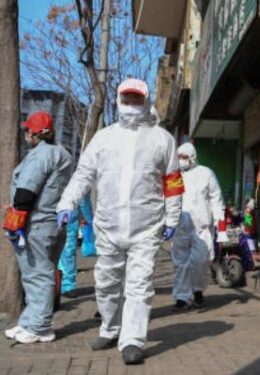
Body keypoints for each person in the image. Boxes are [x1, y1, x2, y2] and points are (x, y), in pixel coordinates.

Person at [56, 78, 183, 365]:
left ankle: (133, 340)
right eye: (127, 99)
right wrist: (67, 202)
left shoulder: (162, 139)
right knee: (106, 282)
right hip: (108, 226)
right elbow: (83, 174)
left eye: (137, 99)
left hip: (146, 227)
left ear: (146, 101)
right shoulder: (103, 138)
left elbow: (173, 183)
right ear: (117, 100)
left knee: (140, 285)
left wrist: (172, 216)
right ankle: (110, 328)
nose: (131, 104)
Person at [3, 111, 73, 344]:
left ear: (36, 133)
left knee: (37, 276)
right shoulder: (63, 154)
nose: (26, 135)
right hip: (53, 223)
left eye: (27, 131)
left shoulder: (40, 155)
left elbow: (28, 189)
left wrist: (16, 216)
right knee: (39, 273)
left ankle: (41, 326)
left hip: (37, 224)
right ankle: (29, 321)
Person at [170, 142, 224, 311]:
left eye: (184, 157)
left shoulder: (206, 174)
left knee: (201, 261)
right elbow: (169, 200)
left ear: (192, 158)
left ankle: (197, 290)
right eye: (178, 157)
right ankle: (182, 297)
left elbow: (217, 200)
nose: (181, 160)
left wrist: (220, 228)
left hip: (202, 227)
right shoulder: (174, 176)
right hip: (180, 227)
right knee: (180, 263)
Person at [57, 194, 96, 298]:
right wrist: (89, 220)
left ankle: (64, 284)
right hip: (67, 215)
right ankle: (66, 284)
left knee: (64, 249)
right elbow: (83, 199)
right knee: (68, 249)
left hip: (58, 215)